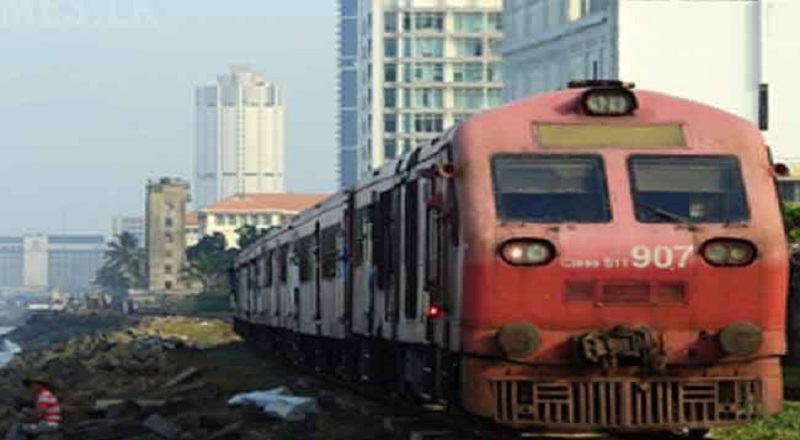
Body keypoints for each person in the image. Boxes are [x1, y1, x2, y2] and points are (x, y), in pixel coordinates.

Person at [5, 375, 61, 440]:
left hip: (48, 425)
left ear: (39, 385)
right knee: (24, 429)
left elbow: (38, 415)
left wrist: (26, 411)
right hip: (47, 424)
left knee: (17, 427)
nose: (31, 387)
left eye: (32, 385)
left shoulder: (44, 396)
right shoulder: (43, 395)